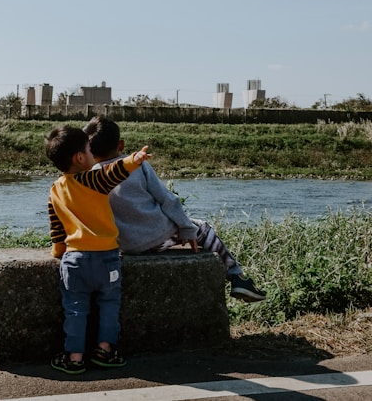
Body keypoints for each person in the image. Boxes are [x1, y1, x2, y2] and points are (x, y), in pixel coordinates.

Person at [84, 116, 266, 303]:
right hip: (158, 237)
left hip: (127, 245)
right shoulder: (138, 166)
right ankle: (237, 277)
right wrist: (187, 228)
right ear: (120, 145)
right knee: (203, 228)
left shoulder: (90, 178)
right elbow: (168, 200)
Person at [45, 125, 151, 375]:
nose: (94, 155)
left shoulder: (55, 190)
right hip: (107, 259)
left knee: (75, 307)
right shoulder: (93, 179)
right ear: (80, 158)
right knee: (110, 303)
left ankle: (74, 357)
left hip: (75, 261)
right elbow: (114, 173)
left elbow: (57, 230)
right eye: (90, 150)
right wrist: (134, 160)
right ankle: (105, 350)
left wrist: (58, 251)